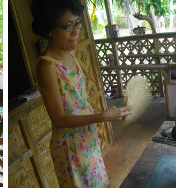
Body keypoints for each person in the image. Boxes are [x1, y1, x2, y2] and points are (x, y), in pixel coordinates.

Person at [31, 0, 132, 187]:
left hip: (87, 140)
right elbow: (59, 119)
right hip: (70, 148)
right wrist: (102, 116)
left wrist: (104, 117)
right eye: (68, 26)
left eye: (77, 23)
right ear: (49, 30)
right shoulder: (47, 66)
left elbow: (77, 102)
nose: (76, 31)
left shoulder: (70, 54)